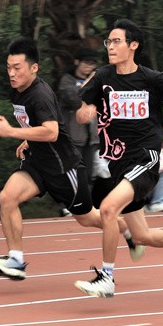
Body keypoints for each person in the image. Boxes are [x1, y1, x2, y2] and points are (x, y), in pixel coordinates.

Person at [73, 18, 163, 298]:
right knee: (142, 236)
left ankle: (106, 278)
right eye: (109, 42)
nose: (110, 46)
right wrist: (85, 112)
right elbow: (82, 110)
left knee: (108, 209)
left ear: (133, 45)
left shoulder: (151, 79)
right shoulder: (102, 77)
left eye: (117, 41)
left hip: (146, 159)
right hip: (119, 164)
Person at [0, 38, 144, 280]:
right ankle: (15, 260)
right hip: (38, 163)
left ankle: (126, 229)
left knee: (88, 219)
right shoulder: (16, 91)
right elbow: (36, 124)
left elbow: (52, 132)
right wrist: (28, 139)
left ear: (34, 68)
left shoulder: (40, 95)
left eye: (17, 68)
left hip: (64, 169)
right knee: (7, 197)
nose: (12, 74)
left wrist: (13, 132)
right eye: (8, 67)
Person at [57, 46, 103, 215]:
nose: (89, 66)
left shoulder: (96, 83)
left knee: (89, 173)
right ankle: (68, 205)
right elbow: (74, 99)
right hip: (72, 135)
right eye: (86, 62)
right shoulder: (67, 80)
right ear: (77, 62)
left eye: (92, 63)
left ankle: (85, 204)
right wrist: (91, 81)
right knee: (72, 171)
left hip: (91, 135)